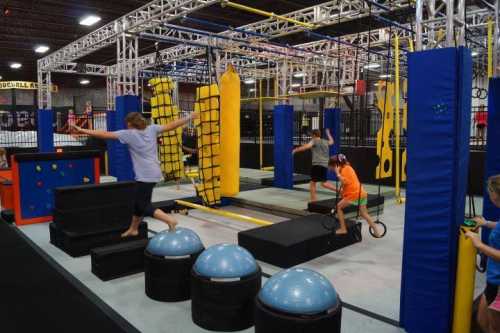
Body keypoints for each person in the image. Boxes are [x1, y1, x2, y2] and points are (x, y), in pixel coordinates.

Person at [72, 112, 198, 237]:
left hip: (145, 175)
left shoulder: (129, 134)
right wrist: (189, 117)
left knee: (143, 205)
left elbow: (104, 134)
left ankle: (170, 220)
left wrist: (82, 129)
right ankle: (133, 229)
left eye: (127, 124)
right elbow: (172, 125)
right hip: (154, 172)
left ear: (130, 124)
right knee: (138, 204)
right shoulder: (152, 129)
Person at [465, 175, 500, 332]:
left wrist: (478, 244)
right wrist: (485, 223)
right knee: (481, 320)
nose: (489, 194)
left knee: (494, 327)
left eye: (490, 191)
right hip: (493, 280)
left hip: (498, 284)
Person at [328, 154, 381, 237]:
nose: (329, 168)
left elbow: (345, 182)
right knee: (364, 214)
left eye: (330, 166)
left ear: (336, 165)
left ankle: (343, 229)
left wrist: (337, 173)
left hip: (354, 194)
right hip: (361, 193)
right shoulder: (348, 167)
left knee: (338, 207)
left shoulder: (344, 170)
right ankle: (376, 231)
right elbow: (348, 185)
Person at [292, 129, 336, 202]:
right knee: (324, 183)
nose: (311, 136)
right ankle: (340, 191)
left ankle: (313, 201)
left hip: (317, 164)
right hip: (325, 164)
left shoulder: (314, 141)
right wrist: (328, 134)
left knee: (312, 183)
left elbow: (306, 147)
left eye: (311, 135)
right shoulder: (325, 141)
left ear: (314, 135)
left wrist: (295, 150)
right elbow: (332, 141)